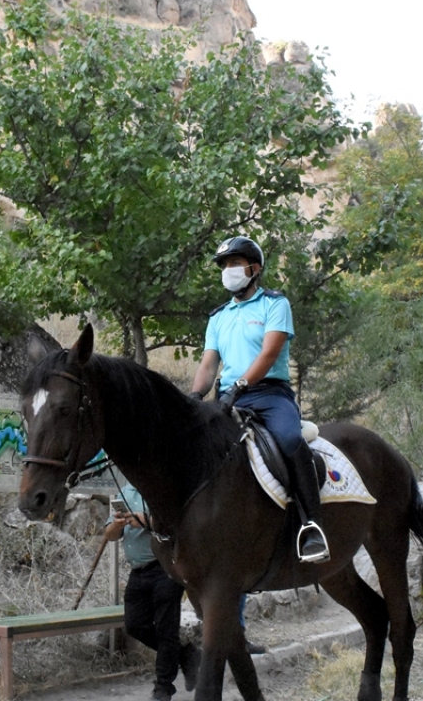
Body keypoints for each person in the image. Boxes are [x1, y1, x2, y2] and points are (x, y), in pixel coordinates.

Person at [190, 236, 328, 563]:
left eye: (235, 264)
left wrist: (239, 386)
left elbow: (269, 354)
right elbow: (208, 365)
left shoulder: (274, 304)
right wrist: (195, 398)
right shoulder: (218, 317)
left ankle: (311, 525)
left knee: (290, 440)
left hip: (270, 394)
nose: (228, 271)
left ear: (255, 268)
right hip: (228, 399)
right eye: (224, 266)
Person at [105, 483, 199, 701]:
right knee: (134, 625)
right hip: (137, 572)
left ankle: (163, 688)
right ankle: (186, 654)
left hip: (164, 567)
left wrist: (145, 520)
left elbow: (178, 524)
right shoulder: (125, 492)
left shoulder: (160, 488)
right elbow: (109, 534)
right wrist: (118, 525)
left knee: (167, 630)